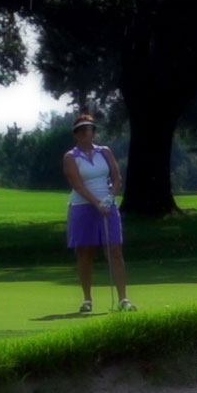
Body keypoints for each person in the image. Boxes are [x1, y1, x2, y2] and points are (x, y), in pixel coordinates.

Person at [62, 114, 134, 312]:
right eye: (82, 130)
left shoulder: (105, 152)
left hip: (107, 204)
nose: (87, 133)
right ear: (76, 134)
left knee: (115, 251)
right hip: (82, 206)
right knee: (86, 253)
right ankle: (87, 299)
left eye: (90, 129)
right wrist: (96, 203)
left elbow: (117, 178)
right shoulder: (71, 156)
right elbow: (77, 184)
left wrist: (109, 199)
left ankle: (123, 299)